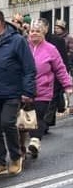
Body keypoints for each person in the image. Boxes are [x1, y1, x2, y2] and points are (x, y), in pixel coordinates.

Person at [0, 10, 36, 177]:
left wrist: (27, 91)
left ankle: (16, 157)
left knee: (7, 123)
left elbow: (29, 68)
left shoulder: (17, 41)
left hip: (12, 92)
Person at [25, 19, 72, 159]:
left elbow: (60, 69)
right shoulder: (23, 46)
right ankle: (22, 145)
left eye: (37, 31)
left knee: (38, 116)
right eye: (32, 31)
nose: (34, 34)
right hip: (24, 90)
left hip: (43, 90)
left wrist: (68, 86)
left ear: (43, 33)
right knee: (24, 119)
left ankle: (34, 141)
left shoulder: (50, 49)